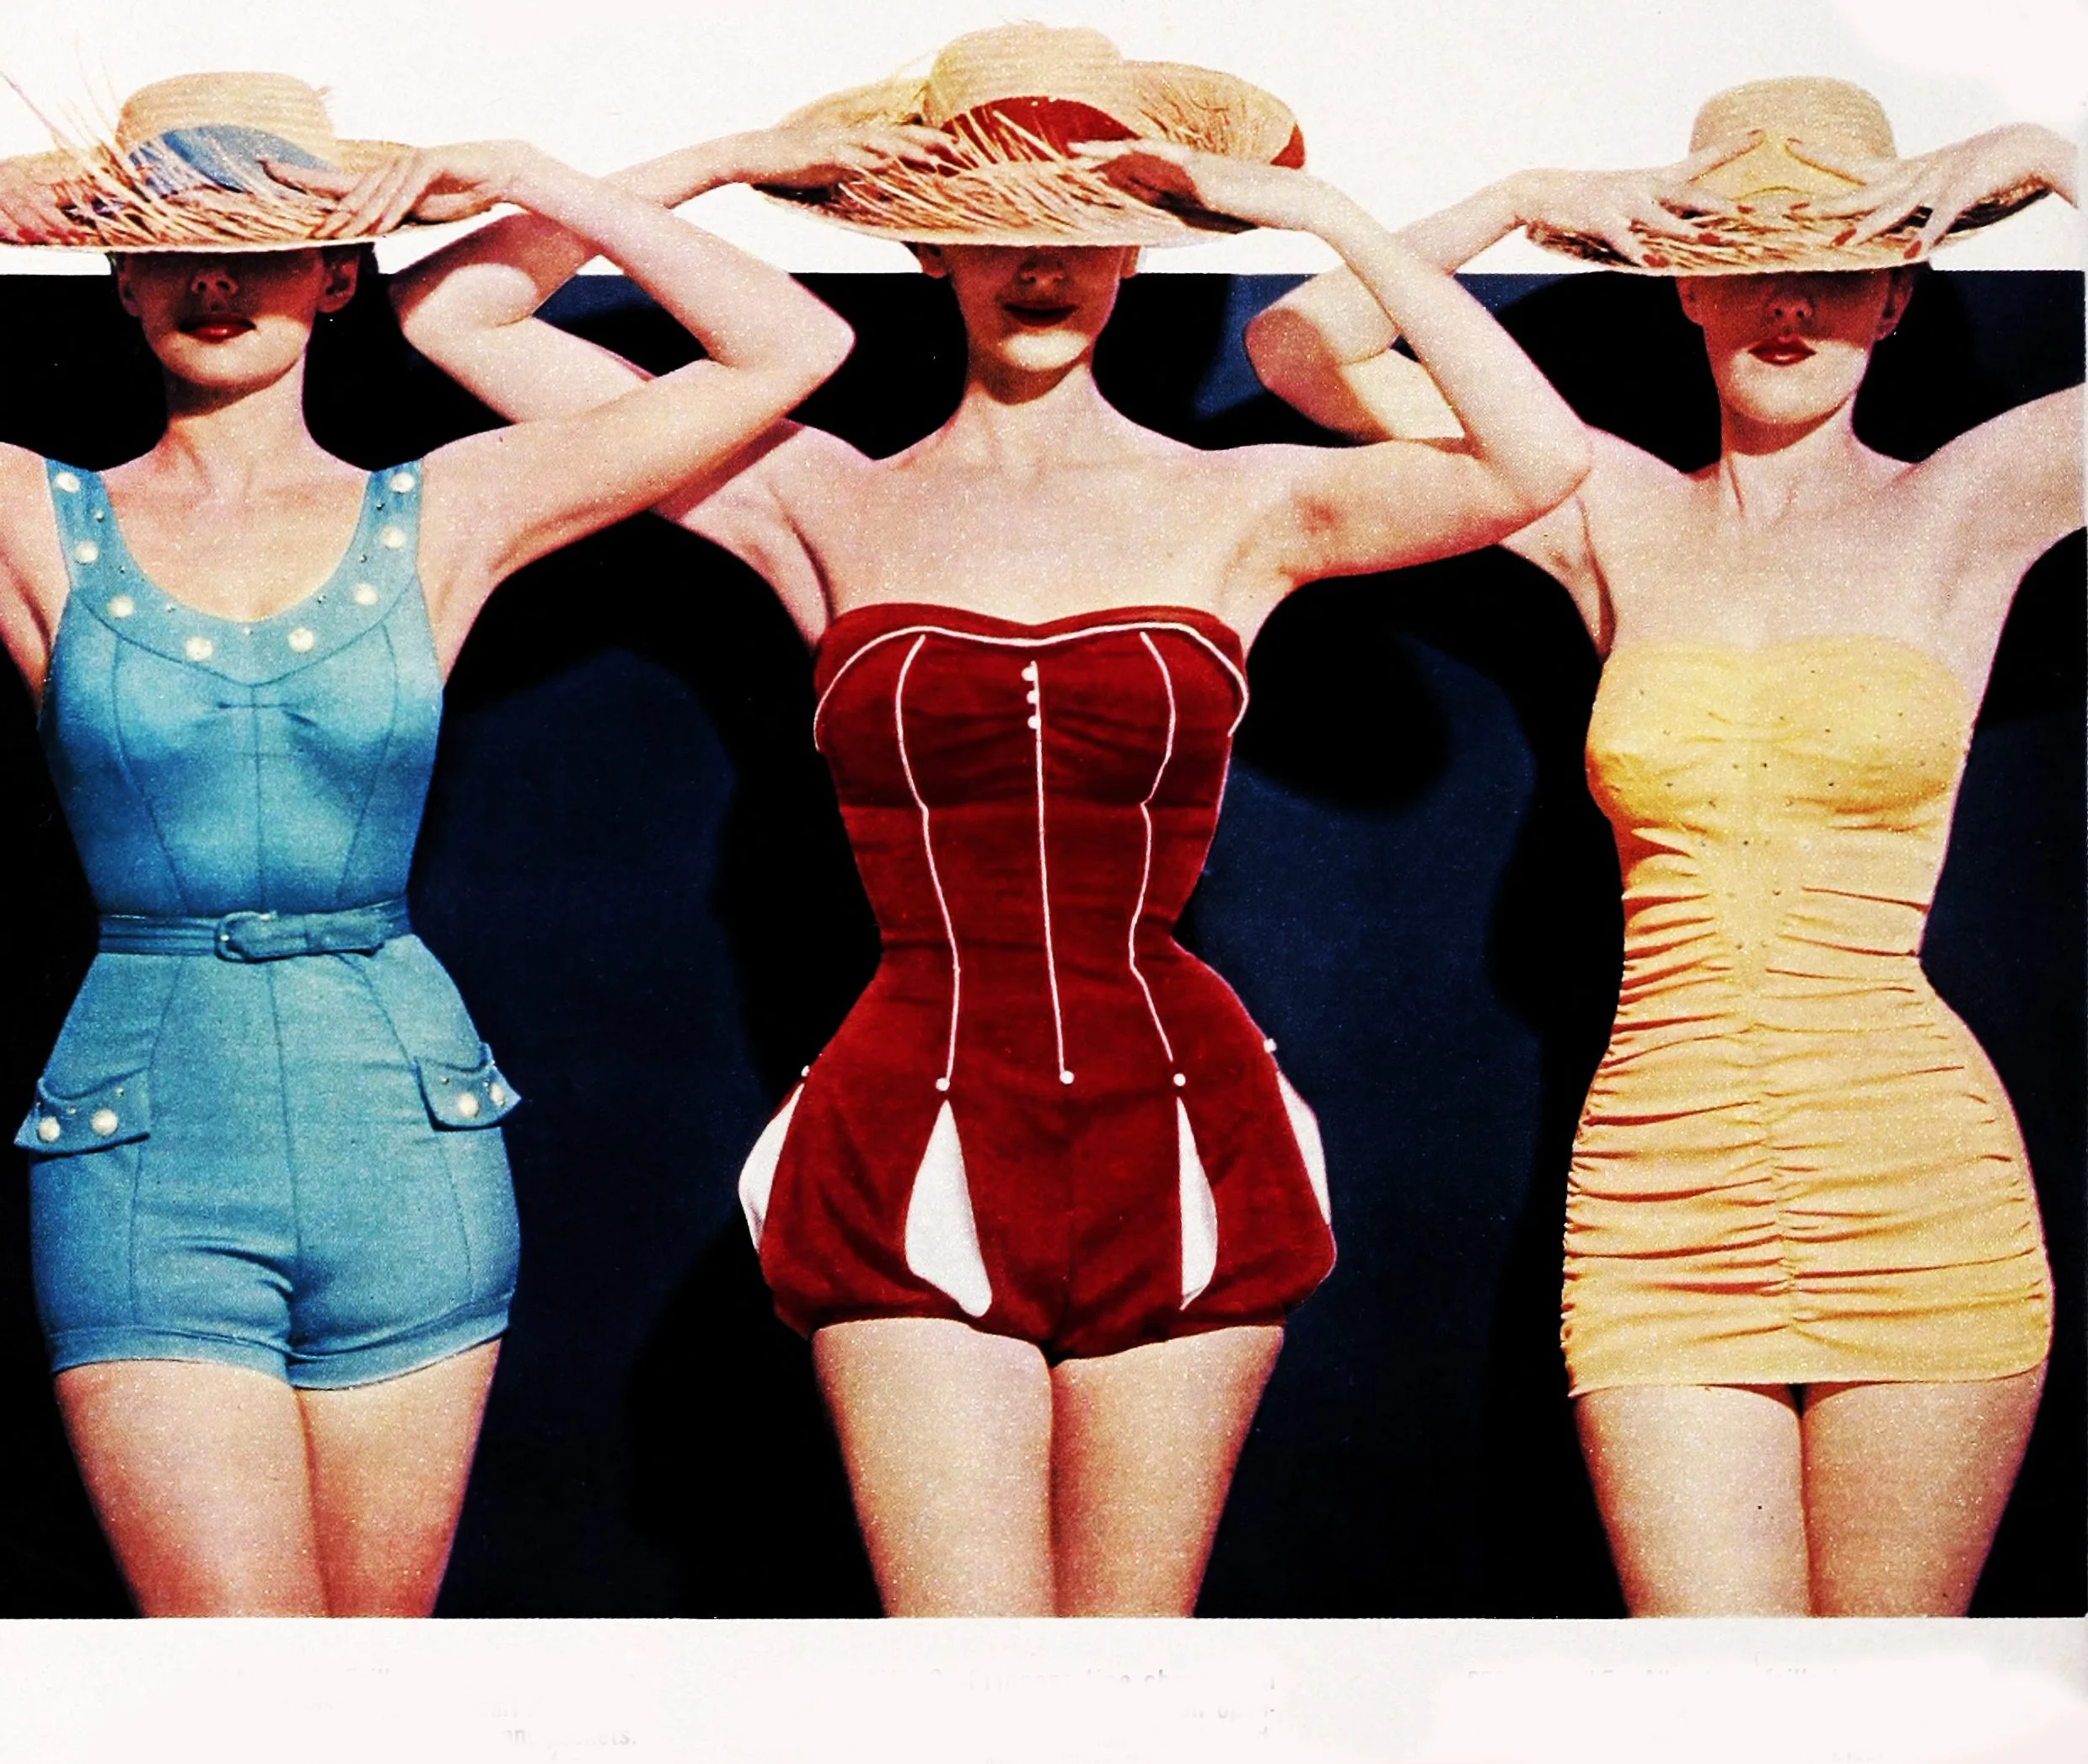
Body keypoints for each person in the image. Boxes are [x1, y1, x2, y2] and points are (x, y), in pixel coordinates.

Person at [393, 22, 1589, 1615]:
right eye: (997, 222)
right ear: (927, 237)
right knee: (962, 1686)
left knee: (1128, 1682)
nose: (1042, 265)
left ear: (1142, 250)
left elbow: (1539, 456)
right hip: (909, 1117)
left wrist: (1325, 217)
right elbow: (461, 313)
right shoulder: (812, 490)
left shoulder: (1246, 505)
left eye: (1086, 225)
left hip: (1183, 1118)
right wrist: (729, 161)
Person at [0, 71, 851, 1615]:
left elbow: (796, 346)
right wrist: (12, 202)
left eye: (263, 243)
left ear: (337, 277)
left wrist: (567, 166)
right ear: (114, 275)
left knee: (376, 1690)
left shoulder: (447, 509)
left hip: (407, 1132)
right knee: (231, 1696)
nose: (215, 279)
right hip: (141, 1142)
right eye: (173, 242)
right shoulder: (32, 520)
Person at [1246, 75, 2081, 1615]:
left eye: (1840, 260)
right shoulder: (1602, 502)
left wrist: (2032, 159)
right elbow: (1303, 347)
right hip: (1660, 1175)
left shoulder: (1974, 503)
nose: (1793, 302)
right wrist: (1525, 194)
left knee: (1892, 1717)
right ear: (1683, 285)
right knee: (1714, 1711)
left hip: (1916, 1172)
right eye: (1750, 256)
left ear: (1898, 298)